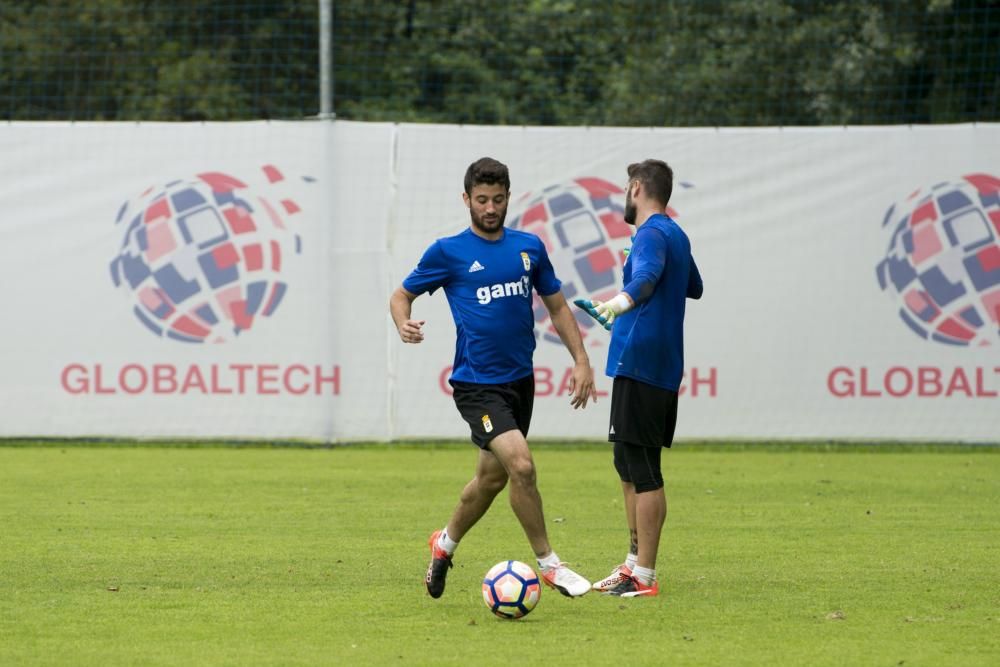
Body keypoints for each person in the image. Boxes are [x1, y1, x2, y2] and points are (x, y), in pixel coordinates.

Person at [389, 157, 598, 600]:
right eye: (481, 200)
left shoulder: (529, 247)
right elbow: (400, 295)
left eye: (497, 199)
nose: (489, 208)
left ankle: (443, 546)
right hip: (476, 386)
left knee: (491, 479)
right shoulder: (448, 252)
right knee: (521, 465)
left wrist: (580, 359)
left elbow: (558, 306)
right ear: (466, 199)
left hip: (520, 382)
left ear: (508, 198)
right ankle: (550, 564)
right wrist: (402, 322)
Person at [576, 159, 703, 597]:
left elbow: (647, 280)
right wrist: (640, 289)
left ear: (636, 188)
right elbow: (694, 285)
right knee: (626, 463)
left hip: (643, 363)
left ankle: (645, 575)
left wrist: (620, 301)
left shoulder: (651, 233)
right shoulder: (673, 234)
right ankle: (632, 564)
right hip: (655, 362)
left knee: (644, 469)